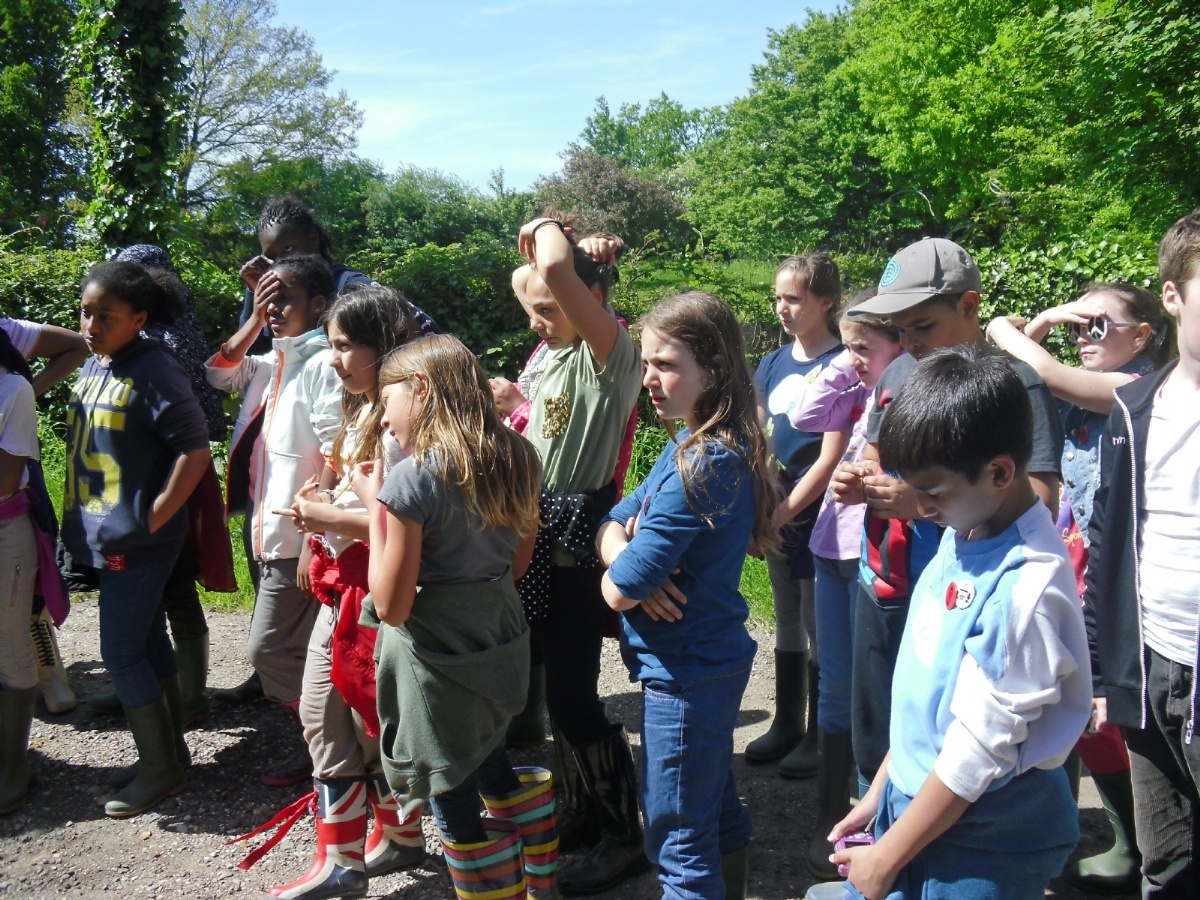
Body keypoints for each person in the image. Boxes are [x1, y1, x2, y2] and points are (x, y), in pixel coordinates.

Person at [823, 347, 1091, 899]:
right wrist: (882, 789)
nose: (920, 506)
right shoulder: (965, 527)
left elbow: (978, 750)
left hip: (985, 839)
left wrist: (886, 856)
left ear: (999, 472)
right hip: (920, 806)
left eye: (933, 492)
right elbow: (930, 695)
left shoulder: (1027, 587)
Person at [831, 238, 1064, 797]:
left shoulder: (1014, 384)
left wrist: (921, 505)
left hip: (965, 594)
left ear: (969, 306)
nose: (910, 343)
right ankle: (877, 823)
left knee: (951, 731)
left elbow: (1040, 497)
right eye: (899, 330)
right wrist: (859, 478)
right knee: (879, 727)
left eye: (922, 326)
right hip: (884, 580)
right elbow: (877, 454)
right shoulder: (899, 372)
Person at [987, 283, 1175, 892]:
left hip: (1115, 569)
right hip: (1073, 559)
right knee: (1083, 704)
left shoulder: (1138, 387)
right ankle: (1127, 836)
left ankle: (1146, 840)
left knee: (1114, 705)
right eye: (1077, 328)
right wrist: (1048, 323)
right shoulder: (1080, 393)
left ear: (1141, 336)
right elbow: (1018, 372)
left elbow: (1038, 366)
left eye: (1097, 326)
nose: (1082, 338)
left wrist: (1029, 321)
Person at [351, 334, 554, 900]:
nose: (384, 420)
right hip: (499, 633)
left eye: (387, 402)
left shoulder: (411, 479)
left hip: (437, 658)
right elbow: (517, 566)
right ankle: (541, 881)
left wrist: (375, 507)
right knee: (486, 751)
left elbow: (391, 606)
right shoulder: (520, 457)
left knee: (449, 779)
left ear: (420, 390)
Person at [217, 195, 439, 708]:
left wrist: (318, 527)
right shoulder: (276, 310)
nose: (277, 263)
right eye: (270, 254)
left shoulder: (351, 299)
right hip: (292, 512)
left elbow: (346, 461)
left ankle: (317, 714)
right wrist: (257, 303)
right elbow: (225, 369)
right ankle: (309, 712)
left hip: (338, 531)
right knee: (315, 644)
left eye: (288, 250)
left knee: (337, 654)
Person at [597, 291, 779, 900]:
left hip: (685, 674)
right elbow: (613, 519)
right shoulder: (689, 445)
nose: (649, 378)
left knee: (678, 842)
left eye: (666, 364)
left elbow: (617, 592)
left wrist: (627, 569)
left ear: (715, 368)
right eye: (646, 363)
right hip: (705, 664)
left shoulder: (702, 463)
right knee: (715, 807)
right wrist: (626, 552)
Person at [262, 286, 425, 899]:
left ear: (385, 347)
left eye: (345, 346)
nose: (333, 359)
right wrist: (319, 523)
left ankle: (348, 861)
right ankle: (389, 840)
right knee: (343, 717)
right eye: (330, 345)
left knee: (341, 716)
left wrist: (328, 518)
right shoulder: (364, 407)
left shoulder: (403, 423)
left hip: (374, 587)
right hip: (348, 583)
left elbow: (407, 522)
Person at [510, 217, 646, 893]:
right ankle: (582, 811)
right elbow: (533, 275)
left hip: (576, 548)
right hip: (542, 541)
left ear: (588, 301)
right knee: (563, 696)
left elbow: (556, 271)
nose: (536, 320)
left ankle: (623, 835)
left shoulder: (608, 352)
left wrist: (544, 226)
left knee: (573, 696)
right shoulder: (557, 351)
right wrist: (547, 250)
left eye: (547, 308)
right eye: (533, 311)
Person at [60, 261, 212, 818]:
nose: (92, 325)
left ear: (139, 319)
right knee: (146, 644)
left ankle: (160, 770)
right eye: (86, 313)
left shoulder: (154, 368)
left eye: (106, 316)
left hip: (137, 541)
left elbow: (195, 450)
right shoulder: (98, 361)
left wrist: (153, 518)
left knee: (120, 653)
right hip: (104, 530)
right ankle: (169, 755)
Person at [1084, 210, 1200, 896]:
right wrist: (1106, 674)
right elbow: (1108, 542)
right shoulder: (1136, 409)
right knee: (1168, 864)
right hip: (1153, 670)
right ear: (1174, 296)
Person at [85, 245, 235, 728]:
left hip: (174, 477)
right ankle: (161, 695)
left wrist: (152, 516)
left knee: (177, 583)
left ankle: (189, 698)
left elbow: (191, 435)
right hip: (143, 477)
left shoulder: (162, 347)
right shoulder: (117, 347)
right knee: (155, 601)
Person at [207, 254, 343, 787]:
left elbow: (337, 450)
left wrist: (315, 535)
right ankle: (326, 743)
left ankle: (326, 741)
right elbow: (218, 373)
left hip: (297, 536)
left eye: (285, 298)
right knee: (301, 647)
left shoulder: (322, 364)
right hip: (268, 530)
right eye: (268, 297)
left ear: (318, 305)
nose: (274, 307)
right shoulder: (270, 362)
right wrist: (256, 314)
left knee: (267, 649)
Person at [790, 290, 905, 878]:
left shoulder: (909, 397)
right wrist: (847, 358)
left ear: (901, 344)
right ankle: (828, 817)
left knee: (872, 690)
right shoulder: (856, 391)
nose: (854, 358)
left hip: (872, 557)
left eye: (864, 347)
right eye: (850, 346)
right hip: (829, 548)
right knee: (835, 685)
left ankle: (874, 818)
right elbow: (804, 416)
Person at [746, 254, 844, 779]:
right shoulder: (772, 362)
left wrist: (783, 511)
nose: (781, 308)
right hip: (777, 507)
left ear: (825, 302)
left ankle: (821, 735)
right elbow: (760, 434)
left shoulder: (844, 363)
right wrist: (764, 496)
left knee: (816, 619)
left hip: (818, 511)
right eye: (777, 298)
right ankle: (787, 722)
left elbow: (830, 458)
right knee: (786, 614)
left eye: (793, 299)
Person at [0, 315, 85, 716]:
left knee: (27, 571)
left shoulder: (6, 331)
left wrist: (20, 395)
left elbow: (76, 345)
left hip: (12, 472)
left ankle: (47, 664)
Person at [0, 330, 57, 815]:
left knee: (11, 648)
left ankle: (12, 768)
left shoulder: (12, 389)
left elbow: (4, 478)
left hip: (5, 533)